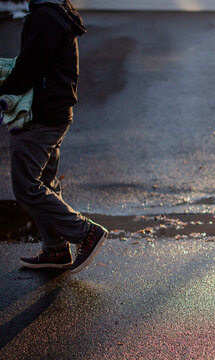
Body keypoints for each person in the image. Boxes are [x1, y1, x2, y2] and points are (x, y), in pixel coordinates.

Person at [0, 0, 108, 273]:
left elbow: (28, 70)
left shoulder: (45, 17)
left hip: (41, 114)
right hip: (55, 112)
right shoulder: (56, 11)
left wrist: (4, 88)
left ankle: (85, 233)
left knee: (26, 186)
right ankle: (56, 249)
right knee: (44, 181)